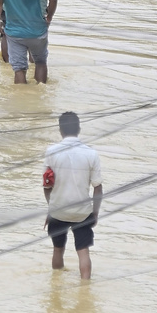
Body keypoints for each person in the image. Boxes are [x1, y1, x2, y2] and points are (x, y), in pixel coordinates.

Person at [43, 111, 103, 278]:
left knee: (58, 250)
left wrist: (52, 207)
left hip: (58, 211)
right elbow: (98, 188)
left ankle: (56, 288)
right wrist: (95, 213)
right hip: (82, 213)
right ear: (79, 129)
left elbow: (47, 185)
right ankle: (85, 289)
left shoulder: (51, 152)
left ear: (60, 130)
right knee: (83, 253)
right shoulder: (91, 154)